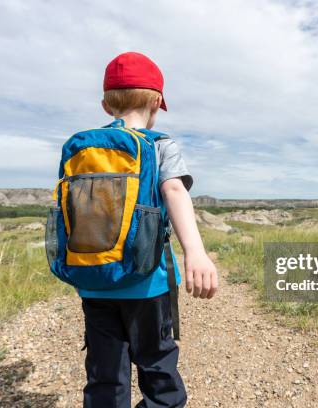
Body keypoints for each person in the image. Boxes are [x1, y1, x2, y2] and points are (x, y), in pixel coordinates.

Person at [80, 51, 218, 408]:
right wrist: (196, 252)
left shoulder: (84, 148)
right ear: (157, 101)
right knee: (157, 369)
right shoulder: (160, 145)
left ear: (106, 104)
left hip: (95, 281)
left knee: (105, 376)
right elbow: (174, 190)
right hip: (149, 284)